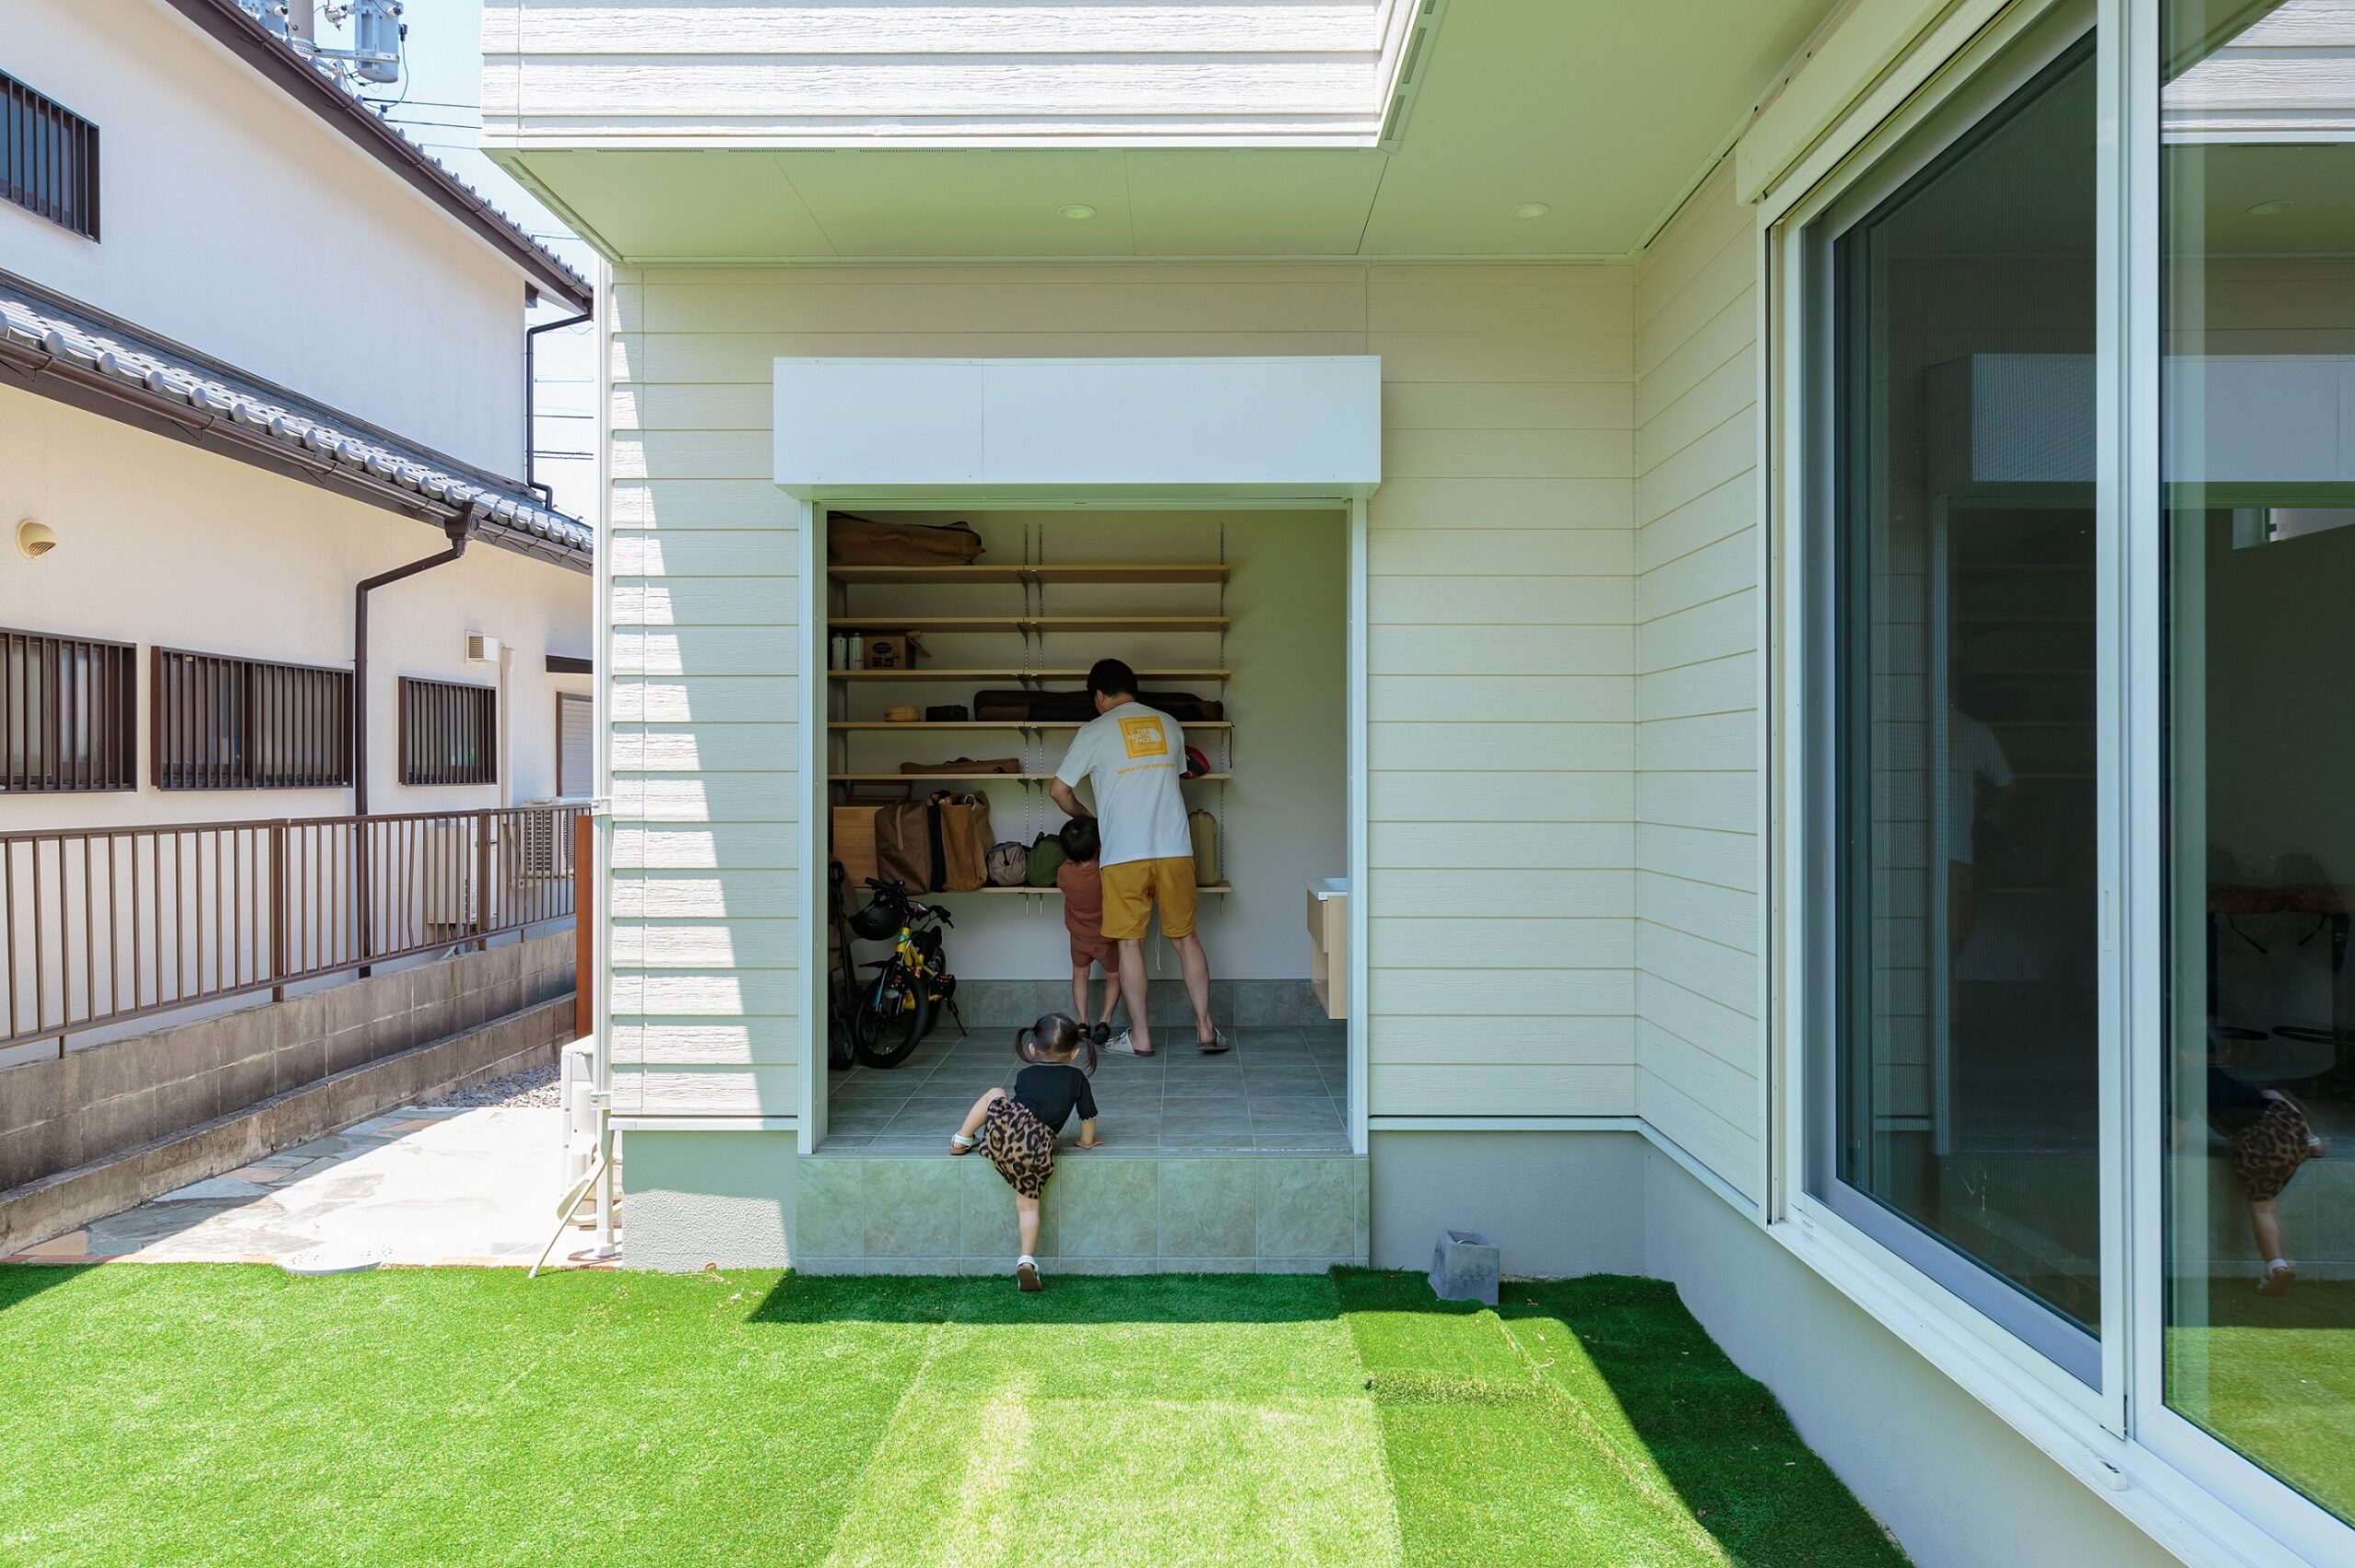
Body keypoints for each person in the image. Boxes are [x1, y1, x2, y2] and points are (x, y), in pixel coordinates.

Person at [1048, 658, 1227, 1056]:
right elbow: (1177, 773)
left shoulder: (1094, 731)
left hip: (1124, 854)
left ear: (1099, 695)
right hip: (1175, 849)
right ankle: (1205, 1029)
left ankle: (1141, 1038)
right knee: (1186, 938)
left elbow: (1058, 790)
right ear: (1133, 689)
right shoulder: (1169, 725)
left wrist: (1089, 818)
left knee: (1129, 945)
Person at [948, 1013, 1100, 1291]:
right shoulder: (1077, 1078)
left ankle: (962, 1139)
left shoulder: (1025, 1074)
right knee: (1028, 1206)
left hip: (1000, 1134)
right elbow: (1087, 1116)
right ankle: (1026, 1260)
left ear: (1032, 1049)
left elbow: (1018, 1110)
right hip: (1035, 1147)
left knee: (996, 1092)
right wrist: (1086, 1142)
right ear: (1075, 1052)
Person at [2208, 1053, 2327, 1296]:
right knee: (2273, 1093)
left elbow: (2178, 1134)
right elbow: (2272, 1095)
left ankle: (2277, 1266)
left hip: (2257, 1144)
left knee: (2262, 1208)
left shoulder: (2189, 1083)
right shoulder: (2222, 1076)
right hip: (2288, 1128)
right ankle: (2312, 1140)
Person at [1054, 816, 1126, 1045]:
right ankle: (1104, 1021)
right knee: (1114, 975)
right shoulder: (1104, 873)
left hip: (1078, 937)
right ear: (1099, 846)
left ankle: (1082, 1022)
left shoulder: (1064, 873)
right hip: (1105, 938)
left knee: (1080, 974)